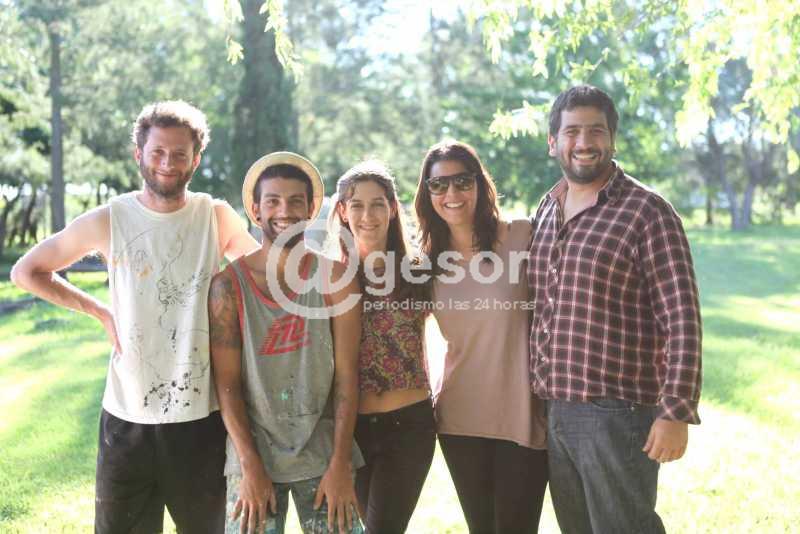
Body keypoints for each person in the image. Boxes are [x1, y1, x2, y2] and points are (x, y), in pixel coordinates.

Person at [10, 100, 258, 532]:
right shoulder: (110, 219)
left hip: (200, 422)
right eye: (157, 152)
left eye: (179, 154)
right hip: (126, 422)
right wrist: (99, 310)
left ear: (196, 159)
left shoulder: (214, 217)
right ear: (138, 154)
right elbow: (26, 272)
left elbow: (264, 279)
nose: (167, 163)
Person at [528, 85, 703, 533]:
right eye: (572, 131)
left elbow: (682, 319)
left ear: (612, 139)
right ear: (552, 142)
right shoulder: (547, 208)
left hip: (617, 413)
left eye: (596, 131)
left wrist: (675, 411)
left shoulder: (648, 212)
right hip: (555, 409)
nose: (584, 142)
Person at [208, 152, 365, 534]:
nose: (285, 211)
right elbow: (226, 385)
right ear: (255, 210)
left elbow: (347, 378)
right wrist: (249, 467)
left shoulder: (336, 279)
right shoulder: (228, 286)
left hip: (324, 451)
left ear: (310, 210)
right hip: (252, 452)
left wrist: (340, 463)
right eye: (273, 201)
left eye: (296, 201)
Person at [414, 140, 548, 533]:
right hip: (460, 418)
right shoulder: (424, 263)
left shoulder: (522, 236)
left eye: (462, 181)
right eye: (438, 185)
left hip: (523, 414)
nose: (451, 193)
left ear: (479, 184)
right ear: (427, 193)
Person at [328, 161, 435, 533]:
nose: (367, 215)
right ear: (343, 211)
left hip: (408, 424)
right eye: (356, 205)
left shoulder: (419, 267)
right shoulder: (333, 275)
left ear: (392, 208)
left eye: (377, 204)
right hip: (352, 428)